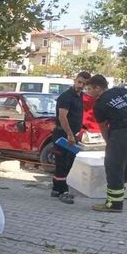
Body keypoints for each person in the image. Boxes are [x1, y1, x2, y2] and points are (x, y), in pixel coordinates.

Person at [86, 74, 127, 212]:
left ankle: (114, 204)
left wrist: (109, 143)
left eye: (89, 89)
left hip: (119, 134)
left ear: (98, 88)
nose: (88, 92)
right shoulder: (122, 91)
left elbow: (103, 127)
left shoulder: (100, 104)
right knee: (124, 166)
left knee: (113, 167)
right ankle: (118, 199)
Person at [51, 71, 91, 204]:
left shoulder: (79, 96)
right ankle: (62, 191)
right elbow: (62, 116)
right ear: (75, 80)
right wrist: (69, 134)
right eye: (79, 82)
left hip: (72, 136)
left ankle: (57, 189)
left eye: (84, 84)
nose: (81, 86)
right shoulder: (66, 96)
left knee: (69, 163)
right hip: (63, 135)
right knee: (62, 163)